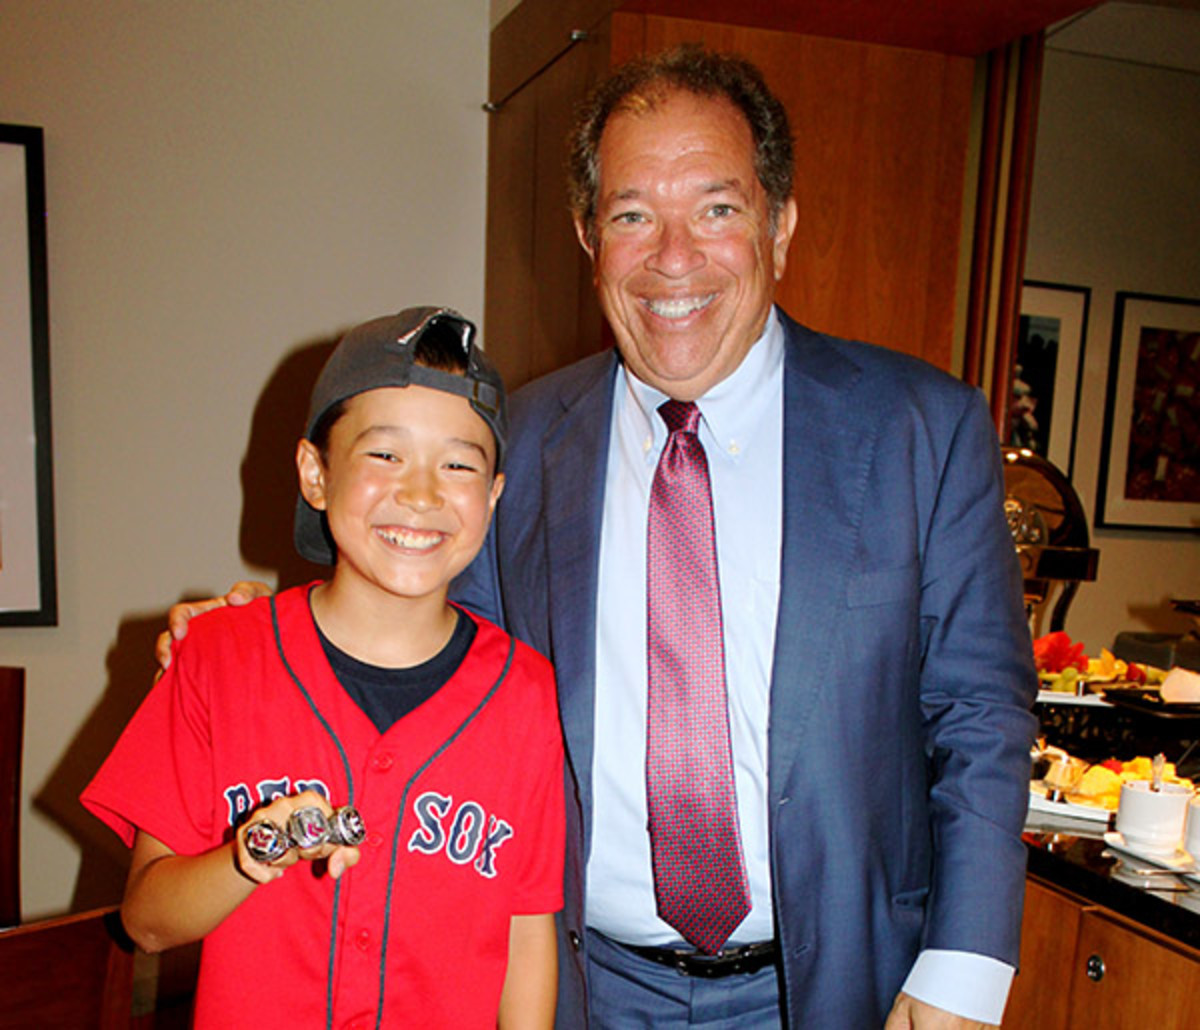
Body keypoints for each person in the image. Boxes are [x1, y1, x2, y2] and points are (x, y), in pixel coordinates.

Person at [159, 48, 1037, 1029]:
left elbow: (979, 714)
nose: (672, 256)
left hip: (838, 988)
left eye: (717, 208)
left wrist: (965, 963)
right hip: (581, 986)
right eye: (631, 215)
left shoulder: (923, 428)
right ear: (588, 235)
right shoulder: (514, 444)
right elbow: (432, 653)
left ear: (780, 225)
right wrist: (254, 640)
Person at [87, 307, 564, 1029]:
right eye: (384, 455)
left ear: (493, 495)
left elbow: (527, 935)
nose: (424, 493)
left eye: (460, 464)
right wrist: (253, 852)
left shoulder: (527, 692)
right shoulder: (219, 657)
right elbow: (148, 921)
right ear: (316, 473)